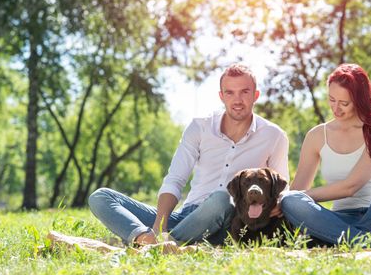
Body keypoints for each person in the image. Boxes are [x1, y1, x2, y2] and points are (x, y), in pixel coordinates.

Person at [88, 63, 289, 248]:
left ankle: (163, 245)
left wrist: (274, 204)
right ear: (221, 96)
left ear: (255, 95)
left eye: (244, 92)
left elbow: (282, 189)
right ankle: (146, 240)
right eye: (230, 92)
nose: (237, 100)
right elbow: (175, 180)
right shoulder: (200, 127)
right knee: (101, 196)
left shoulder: (274, 136)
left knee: (221, 199)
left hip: (231, 221)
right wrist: (159, 226)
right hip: (187, 217)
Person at [280, 63, 371, 246]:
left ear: (360, 100)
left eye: (344, 103)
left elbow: (351, 187)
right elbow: (297, 191)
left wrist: (304, 196)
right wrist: (286, 201)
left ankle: (349, 239)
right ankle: (369, 242)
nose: (336, 108)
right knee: (290, 200)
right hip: (339, 221)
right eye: (331, 100)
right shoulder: (316, 136)